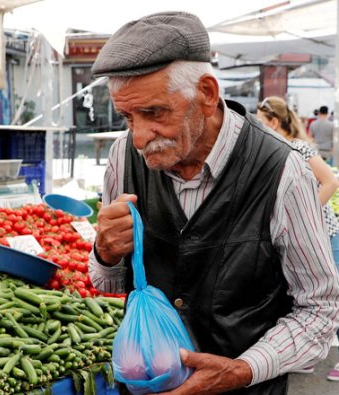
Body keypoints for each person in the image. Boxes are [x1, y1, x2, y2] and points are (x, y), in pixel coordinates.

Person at [88, 11, 339, 394]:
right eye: (127, 117)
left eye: (154, 113)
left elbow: (320, 309)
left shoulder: (281, 170)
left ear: (206, 93)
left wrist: (242, 369)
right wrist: (104, 252)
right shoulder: (123, 157)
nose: (139, 137)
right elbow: (108, 283)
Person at [257, 96, 339, 380]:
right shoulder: (270, 151)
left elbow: (330, 181)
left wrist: (305, 217)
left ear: (274, 122)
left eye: (260, 121)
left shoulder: (297, 148)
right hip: (298, 236)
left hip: (322, 233)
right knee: (298, 294)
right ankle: (305, 355)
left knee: (325, 294)